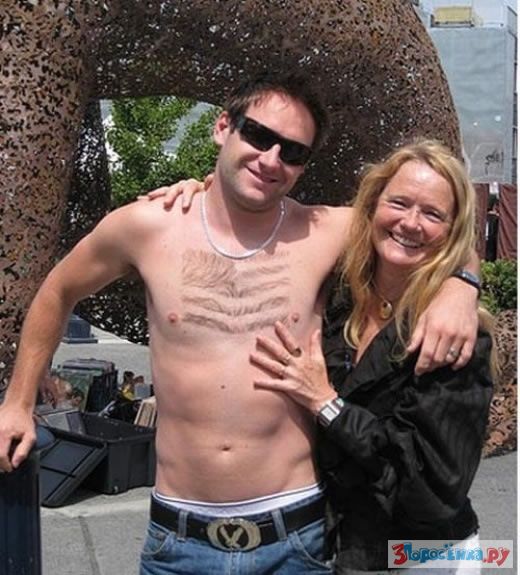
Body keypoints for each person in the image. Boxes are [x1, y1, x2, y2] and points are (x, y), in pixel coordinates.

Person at [0, 73, 480, 575]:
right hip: (178, 539)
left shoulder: (323, 230)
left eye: (292, 152)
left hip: (296, 538)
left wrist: (461, 288)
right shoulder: (147, 226)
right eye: (257, 134)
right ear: (222, 127)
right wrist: (18, 402)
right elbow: (58, 292)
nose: (271, 159)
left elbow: (430, 233)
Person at [247, 140, 493, 574]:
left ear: (452, 231)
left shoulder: (451, 337)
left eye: (433, 214)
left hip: (422, 555)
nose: (410, 223)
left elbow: (429, 491)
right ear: (373, 204)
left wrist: (327, 404)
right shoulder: (340, 292)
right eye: (399, 203)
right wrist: (201, 192)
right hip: (335, 546)